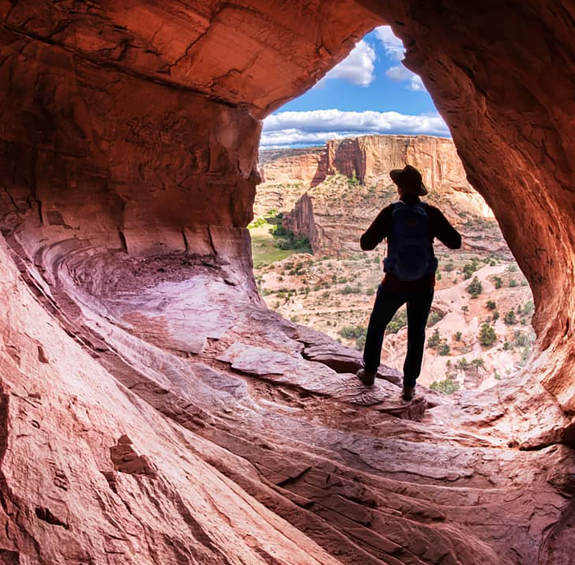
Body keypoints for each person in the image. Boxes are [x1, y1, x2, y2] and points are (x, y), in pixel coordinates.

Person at [356, 164, 461, 401]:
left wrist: (388, 234)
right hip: (424, 284)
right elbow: (455, 242)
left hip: (393, 283)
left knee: (377, 325)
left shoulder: (390, 212)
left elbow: (366, 244)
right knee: (417, 333)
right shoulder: (431, 213)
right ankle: (408, 387)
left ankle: (370, 372)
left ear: (399, 188)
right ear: (419, 190)